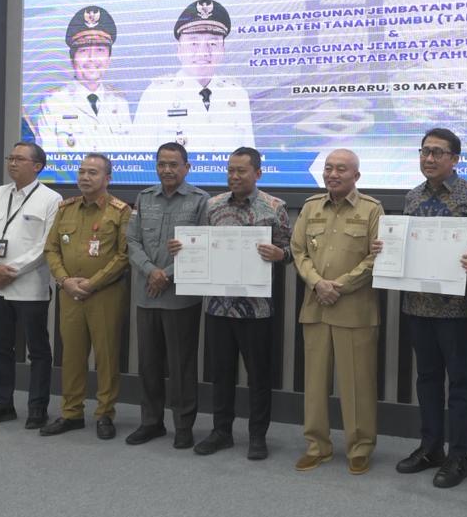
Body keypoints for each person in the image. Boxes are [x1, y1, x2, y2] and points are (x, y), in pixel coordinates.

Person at [373, 129, 467, 488]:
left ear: (454, 159)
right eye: (424, 151)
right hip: (418, 304)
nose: (429, 158)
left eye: (438, 152)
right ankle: (430, 447)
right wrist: (386, 250)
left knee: (459, 382)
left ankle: (459, 456)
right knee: (426, 379)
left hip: (456, 308)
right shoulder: (412, 196)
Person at [194, 147, 292, 461]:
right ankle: (221, 431)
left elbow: (291, 251)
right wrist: (186, 249)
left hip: (256, 308)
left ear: (257, 173)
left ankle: (257, 435)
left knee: (259, 375)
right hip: (218, 306)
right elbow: (202, 246)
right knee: (221, 372)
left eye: (241, 171)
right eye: (230, 170)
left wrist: (280, 254)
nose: (234, 176)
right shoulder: (212, 206)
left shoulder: (274, 207)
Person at [290, 149, 382, 475]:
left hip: (354, 310)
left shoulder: (372, 209)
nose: (332, 174)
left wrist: (339, 286)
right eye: (328, 168)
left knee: (358, 383)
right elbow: (298, 251)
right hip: (316, 306)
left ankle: (360, 447)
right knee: (314, 384)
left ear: (356, 175)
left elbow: (376, 258)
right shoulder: (311, 206)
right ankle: (317, 446)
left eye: (341, 169)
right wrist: (318, 283)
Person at [0, 141, 63, 430]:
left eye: (20, 159)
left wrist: (12, 271)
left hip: (30, 287)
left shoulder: (51, 199)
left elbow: (46, 245)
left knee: (38, 350)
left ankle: (37, 407)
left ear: (37, 166)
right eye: (10, 157)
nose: (12, 163)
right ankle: (2, 403)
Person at [125, 142, 210, 449]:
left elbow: (203, 245)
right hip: (146, 294)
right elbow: (132, 242)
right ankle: (151, 422)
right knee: (148, 363)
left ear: (187, 167)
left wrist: (166, 275)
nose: (167, 170)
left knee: (181, 364)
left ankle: (184, 425)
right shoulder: (144, 197)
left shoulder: (201, 200)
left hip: (180, 296)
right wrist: (152, 272)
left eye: (174, 164)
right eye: (162, 164)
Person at [40, 153, 131, 439]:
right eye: (81, 172)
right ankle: (71, 413)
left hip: (105, 294)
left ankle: (105, 414)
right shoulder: (65, 209)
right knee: (72, 355)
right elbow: (51, 249)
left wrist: (92, 283)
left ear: (108, 178)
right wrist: (65, 281)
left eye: (93, 172)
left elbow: (123, 256)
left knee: (106, 356)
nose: (85, 177)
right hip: (70, 294)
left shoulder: (120, 211)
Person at [133, 0, 255, 155]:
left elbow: (249, 160)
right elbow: (140, 159)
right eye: (194, 43)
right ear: (179, 49)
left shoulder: (237, 95)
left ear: (223, 49)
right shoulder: (156, 95)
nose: (203, 52)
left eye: (212, 44)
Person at [32, 6, 132, 153]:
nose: (92, 58)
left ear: (109, 58)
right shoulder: (53, 103)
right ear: (72, 58)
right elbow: (48, 162)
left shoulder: (120, 102)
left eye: (100, 50)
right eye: (84, 50)